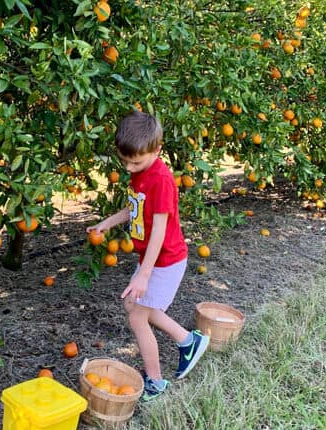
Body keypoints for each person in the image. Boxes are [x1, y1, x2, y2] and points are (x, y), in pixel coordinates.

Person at [86, 111, 209, 401]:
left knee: (138, 317)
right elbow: (134, 209)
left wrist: (144, 273)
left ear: (157, 150)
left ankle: (155, 381)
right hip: (154, 260)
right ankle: (188, 340)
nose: (129, 168)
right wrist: (107, 223)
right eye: (124, 161)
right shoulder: (141, 174)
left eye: (135, 162)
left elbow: (159, 231)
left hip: (166, 261)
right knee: (134, 306)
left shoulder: (161, 180)